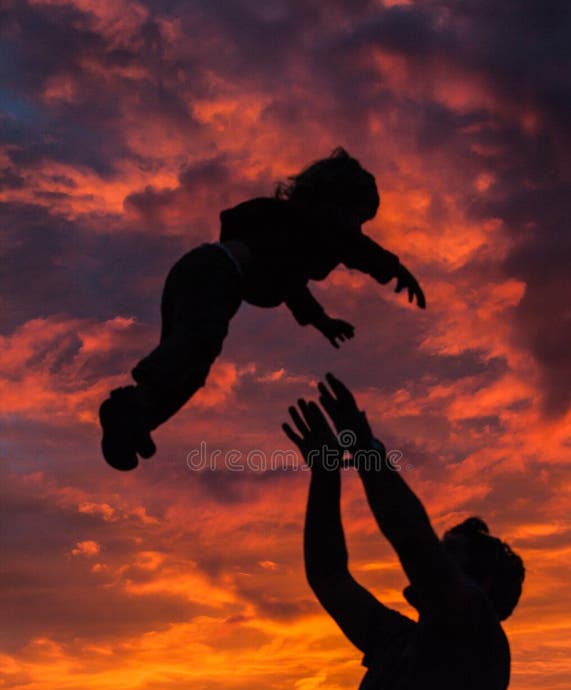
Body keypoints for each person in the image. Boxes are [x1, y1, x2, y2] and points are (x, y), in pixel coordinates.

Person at [282, 373, 525, 690]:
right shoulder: (398, 645)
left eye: (450, 556)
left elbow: (412, 539)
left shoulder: (477, 640)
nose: (435, 562)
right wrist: (325, 474)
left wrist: (364, 450)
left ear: (482, 588)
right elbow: (328, 575)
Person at [99, 148, 426, 470]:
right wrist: (395, 269)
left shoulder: (295, 249)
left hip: (205, 279)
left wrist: (323, 322)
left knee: (193, 369)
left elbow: (294, 288)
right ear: (331, 202)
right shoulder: (301, 223)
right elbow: (352, 247)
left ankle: (135, 424)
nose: (358, 228)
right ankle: (129, 405)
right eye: (357, 218)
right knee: (199, 343)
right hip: (212, 271)